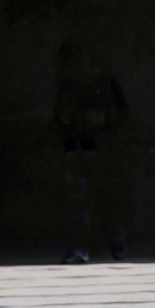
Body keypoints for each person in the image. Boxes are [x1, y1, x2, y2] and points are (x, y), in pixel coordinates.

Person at [54, 42, 129, 263]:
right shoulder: (67, 85)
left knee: (108, 200)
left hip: (103, 150)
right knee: (77, 202)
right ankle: (79, 250)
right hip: (76, 149)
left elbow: (123, 115)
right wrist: (66, 120)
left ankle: (117, 245)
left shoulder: (107, 83)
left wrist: (101, 119)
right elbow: (57, 116)